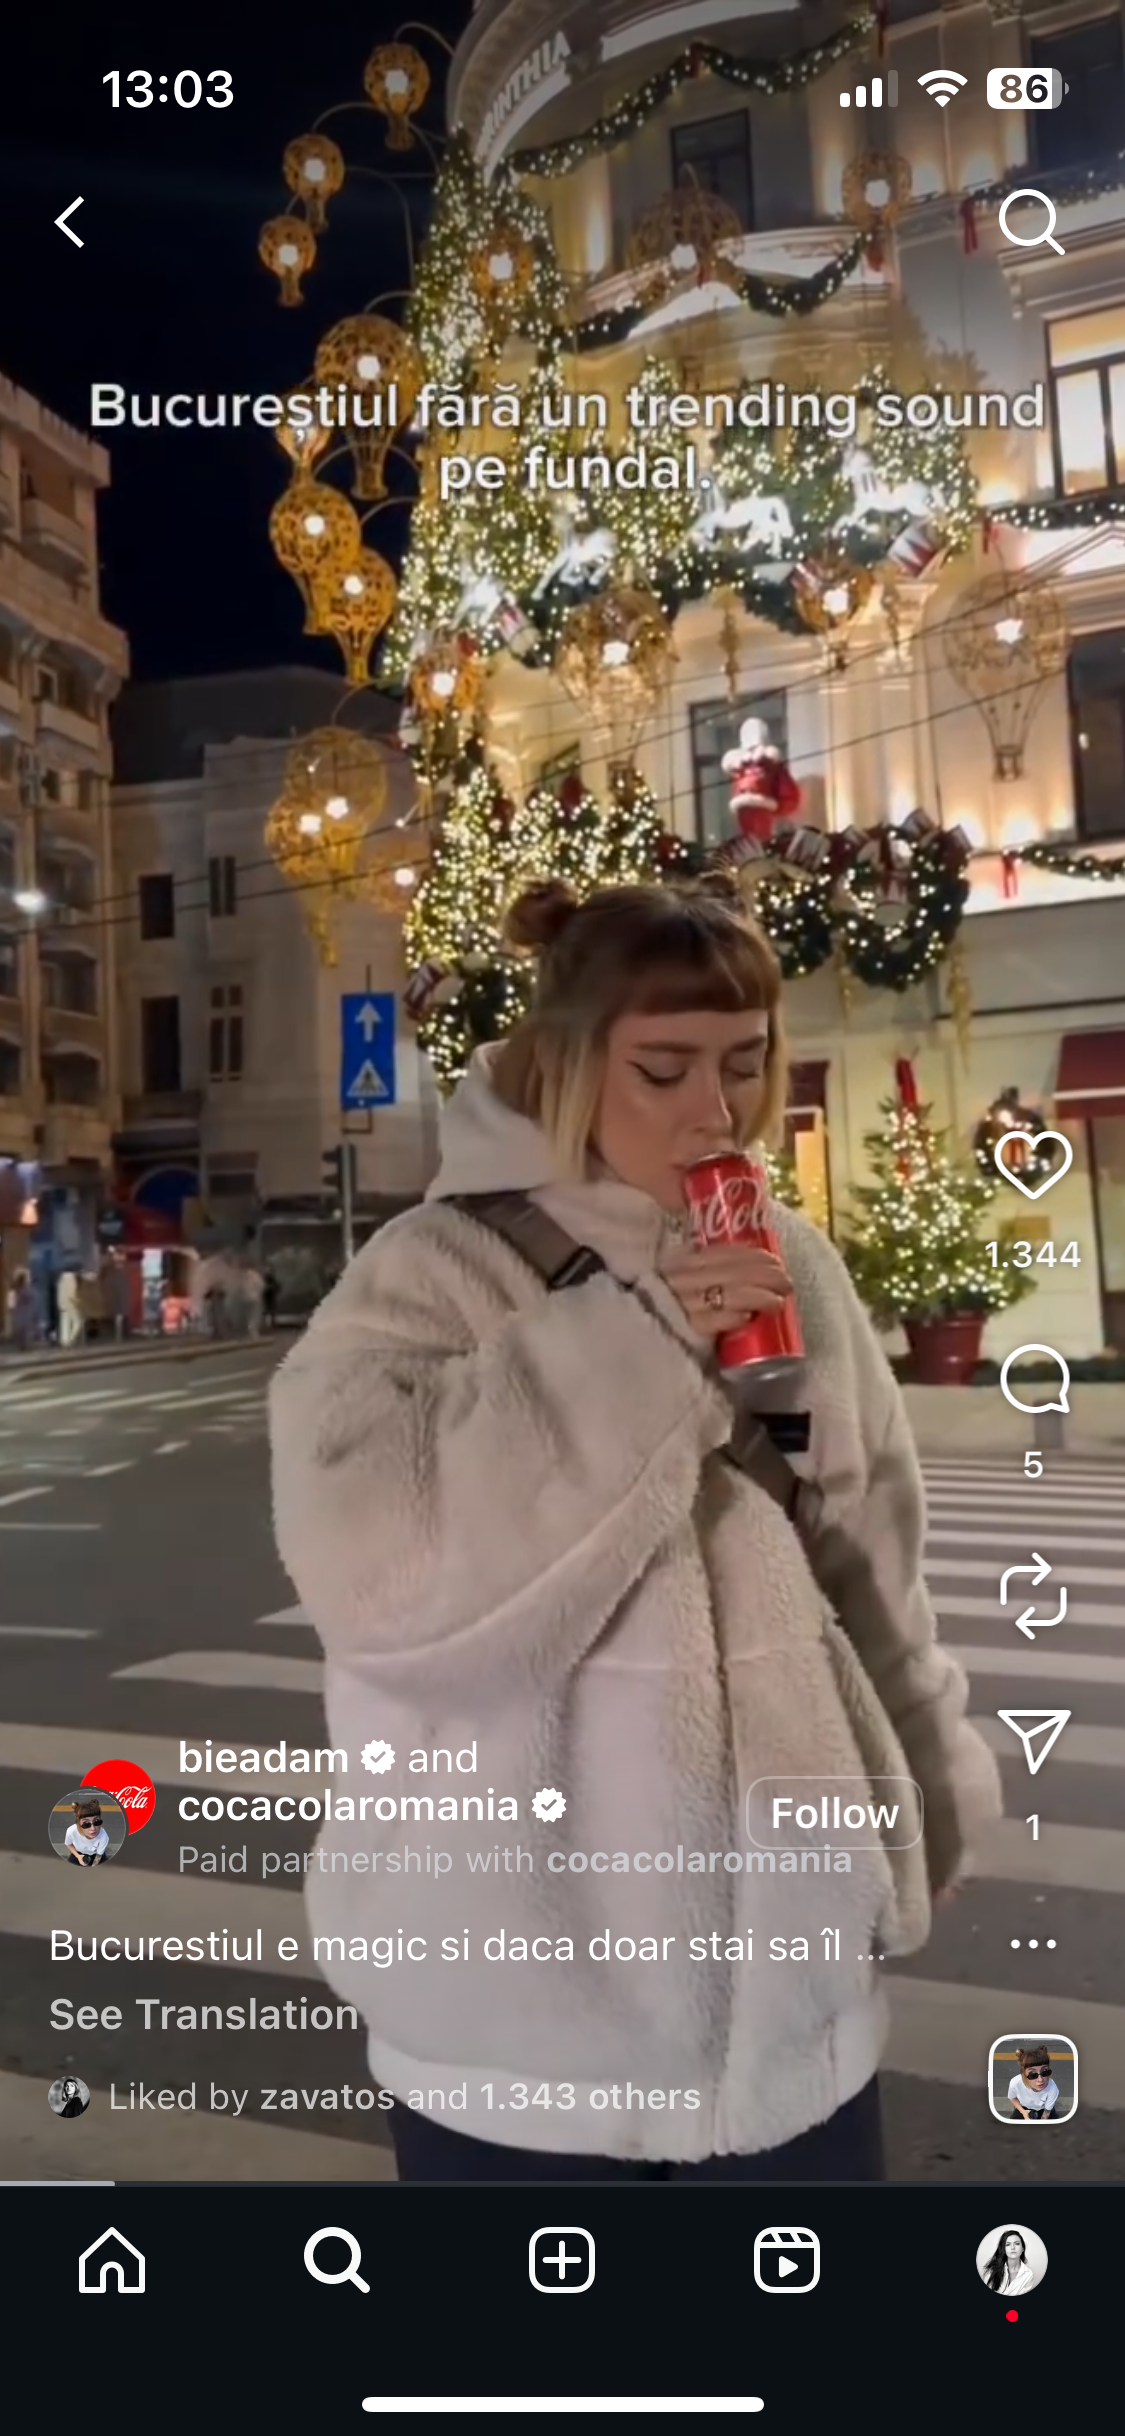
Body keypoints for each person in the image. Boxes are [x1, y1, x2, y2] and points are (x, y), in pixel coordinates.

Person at [270, 874, 1001, 2185]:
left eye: (741, 1064)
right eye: (661, 1069)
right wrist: (641, 1340)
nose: (712, 1112)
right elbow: (379, 1583)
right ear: (564, 1059)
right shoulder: (432, 1272)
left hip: (793, 2029)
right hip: (518, 2038)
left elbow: (868, 1564)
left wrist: (926, 1797)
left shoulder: (794, 1259)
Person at [1008, 2045, 1059, 2120]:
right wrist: (1023, 2112)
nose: (1040, 2079)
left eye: (1044, 2071)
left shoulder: (1052, 2087)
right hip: (1024, 2108)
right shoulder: (1015, 2083)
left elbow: (1047, 2112)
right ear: (1023, 2074)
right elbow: (1012, 2098)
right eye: (1033, 2074)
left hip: (1043, 2109)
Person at [982, 2229, 1035, 2294]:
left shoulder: (1028, 2275)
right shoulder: (992, 2270)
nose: (1012, 2247)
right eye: (1008, 2244)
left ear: (1023, 2248)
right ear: (1003, 2249)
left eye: (1017, 2244)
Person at [64, 1798, 109, 1865]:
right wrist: (78, 1856)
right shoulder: (71, 1831)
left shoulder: (103, 1835)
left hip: (96, 1854)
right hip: (78, 1852)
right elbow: (69, 1844)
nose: (93, 1828)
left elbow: (98, 1856)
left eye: (96, 1821)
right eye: (86, 1824)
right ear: (78, 1823)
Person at [6, 1268, 39, 1351]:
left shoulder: (19, 1289)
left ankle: (24, 1345)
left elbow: (11, 1303)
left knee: (22, 1329)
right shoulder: (19, 1289)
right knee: (23, 1329)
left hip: (23, 1312)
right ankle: (24, 1345)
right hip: (23, 1311)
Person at [57, 1266, 83, 1349]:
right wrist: (77, 1301)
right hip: (70, 1304)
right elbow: (71, 1293)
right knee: (78, 1322)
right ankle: (70, 1339)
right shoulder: (71, 1278)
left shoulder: (61, 1278)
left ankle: (64, 1341)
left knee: (65, 1322)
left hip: (62, 1303)